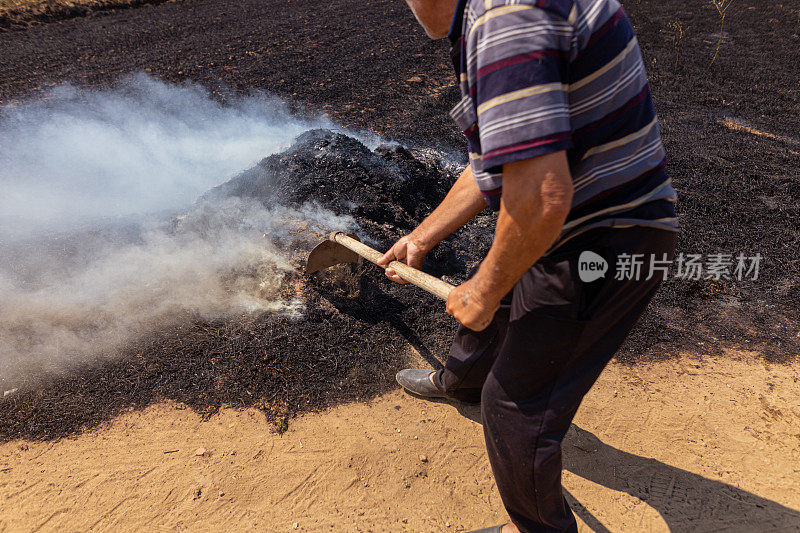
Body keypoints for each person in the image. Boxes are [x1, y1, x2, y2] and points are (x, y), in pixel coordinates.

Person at [377, 0, 679, 531]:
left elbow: (540, 197)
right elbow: (495, 164)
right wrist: (421, 237)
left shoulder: (504, 19)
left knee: (516, 408)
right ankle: (461, 380)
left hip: (604, 241)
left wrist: (484, 289)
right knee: (501, 275)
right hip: (578, 225)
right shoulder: (496, 12)